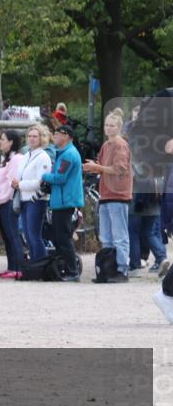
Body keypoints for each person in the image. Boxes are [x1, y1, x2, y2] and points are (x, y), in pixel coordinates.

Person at [83, 109, 132, 283]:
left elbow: (119, 169)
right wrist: (95, 166)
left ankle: (122, 270)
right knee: (106, 236)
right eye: (106, 125)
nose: (108, 128)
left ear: (118, 127)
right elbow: (104, 167)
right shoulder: (105, 146)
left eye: (112, 125)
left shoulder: (120, 144)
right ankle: (108, 268)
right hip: (106, 193)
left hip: (118, 194)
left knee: (120, 235)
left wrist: (97, 168)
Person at [41, 124, 84, 281]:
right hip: (61, 201)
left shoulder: (68, 155)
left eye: (57, 134)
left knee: (64, 238)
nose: (55, 136)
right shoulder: (64, 153)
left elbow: (60, 178)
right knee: (60, 238)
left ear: (66, 136)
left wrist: (44, 176)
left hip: (66, 202)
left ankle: (73, 272)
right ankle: (66, 269)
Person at [13, 124, 53, 263]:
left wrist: (20, 184)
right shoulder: (26, 155)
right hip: (24, 199)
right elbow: (21, 175)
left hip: (37, 200)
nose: (31, 138)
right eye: (29, 136)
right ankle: (35, 263)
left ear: (41, 138)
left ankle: (42, 263)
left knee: (34, 235)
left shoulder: (43, 157)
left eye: (35, 136)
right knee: (27, 235)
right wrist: (16, 182)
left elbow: (41, 182)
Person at [0, 130, 25, 278]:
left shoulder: (17, 159)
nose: (0, 142)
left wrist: (1, 199)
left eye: (3, 139)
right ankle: (12, 267)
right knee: (7, 236)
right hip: (2, 201)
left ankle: (19, 268)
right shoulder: (6, 159)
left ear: (11, 142)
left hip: (8, 201)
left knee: (12, 235)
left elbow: (12, 184)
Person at [128, 158, 169, 278]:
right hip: (155, 204)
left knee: (133, 233)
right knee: (149, 233)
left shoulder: (135, 161)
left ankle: (134, 266)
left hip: (137, 204)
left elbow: (130, 178)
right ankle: (162, 258)